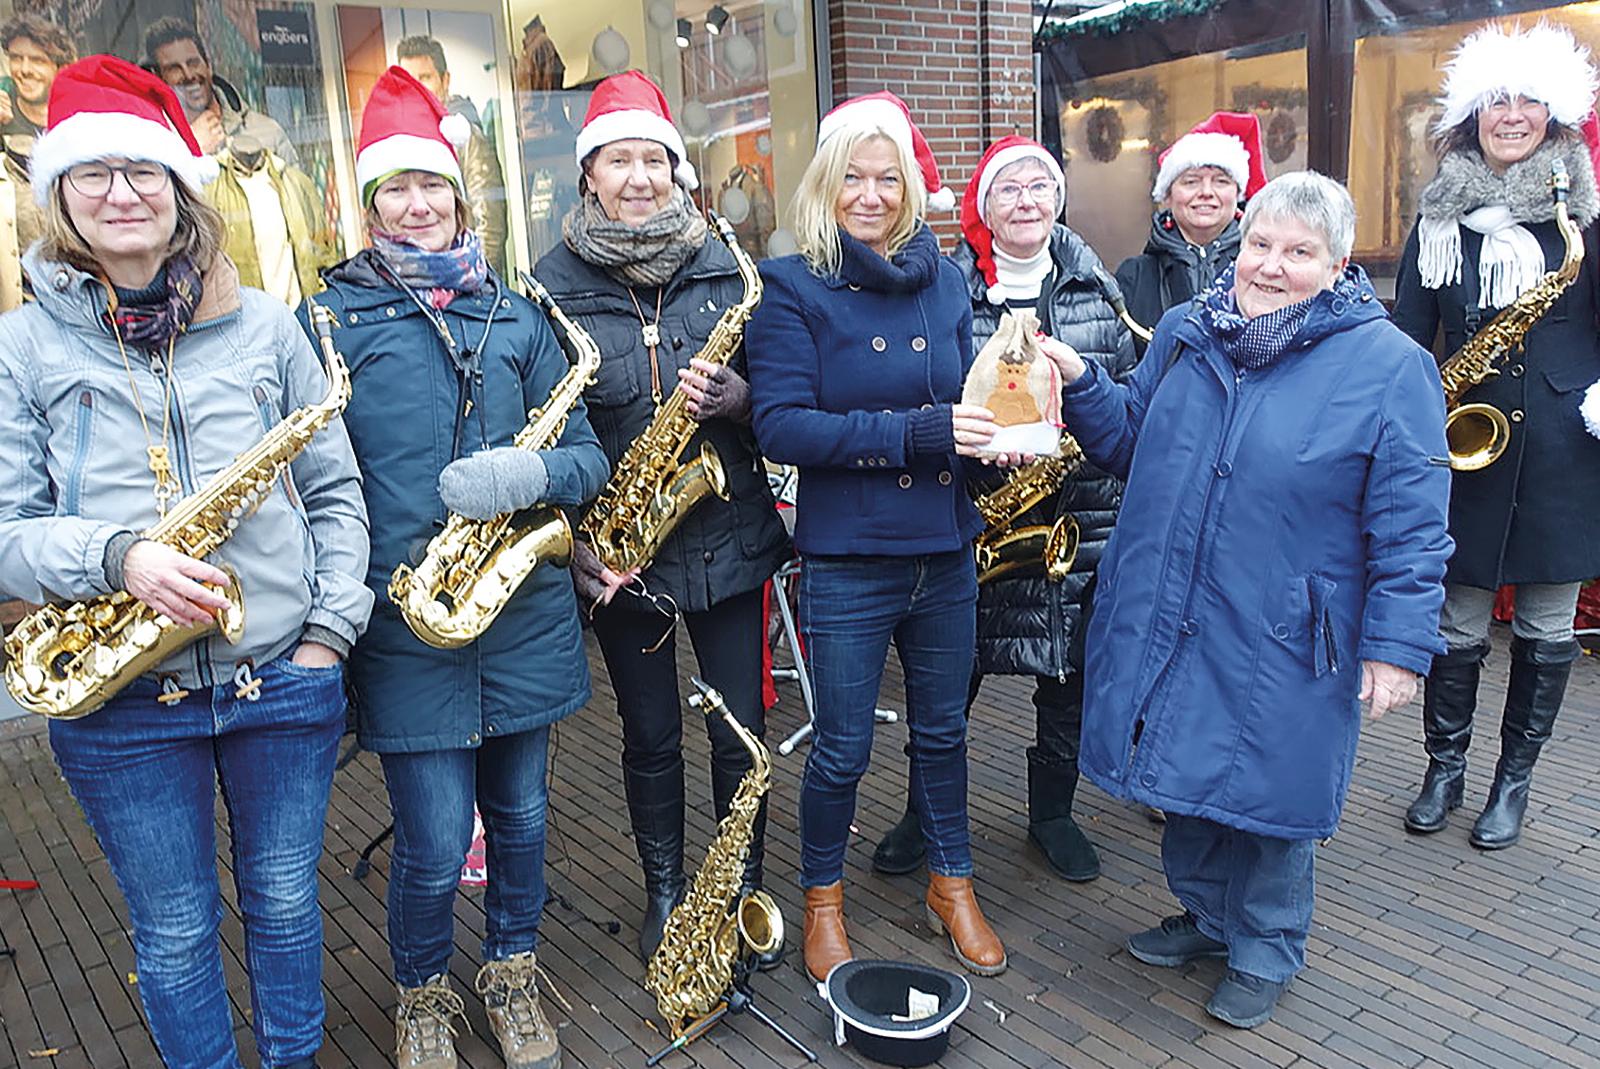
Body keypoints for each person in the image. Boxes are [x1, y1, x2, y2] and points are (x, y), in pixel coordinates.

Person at [0, 56, 372, 1067]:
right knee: (172, 931)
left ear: (178, 189)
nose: (121, 193)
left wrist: (328, 636)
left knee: (286, 903)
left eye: (143, 171)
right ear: (61, 196)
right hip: (121, 700)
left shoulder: (267, 325)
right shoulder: (23, 347)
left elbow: (336, 494)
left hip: (279, 677)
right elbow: (8, 529)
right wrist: (117, 557)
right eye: (94, 173)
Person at [1044, 171, 1452, 1028]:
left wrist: (1397, 647)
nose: (1271, 265)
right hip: (1177, 609)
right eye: (1260, 243)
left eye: (1299, 251)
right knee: (1185, 775)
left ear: (1337, 266)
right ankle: (1208, 916)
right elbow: (1130, 440)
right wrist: (1081, 380)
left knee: (1269, 800)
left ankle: (1265, 946)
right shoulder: (1187, 332)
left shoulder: (1390, 367)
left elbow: (1413, 525)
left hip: (1288, 628)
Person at [307, 66, 606, 1069]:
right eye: (394, 189)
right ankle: (422, 993)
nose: (416, 204)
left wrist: (530, 472)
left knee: (522, 821)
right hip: (409, 622)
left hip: (520, 613)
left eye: (431, 184)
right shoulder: (329, 323)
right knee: (433, 844)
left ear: (459, 196)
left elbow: (587, 457)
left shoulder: (517, 317)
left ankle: (512, 973)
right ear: (369, 205)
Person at [746, 90, 1011, 984]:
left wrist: (996, 444)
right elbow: (782, 425)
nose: (870, 194)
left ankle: (951, 883)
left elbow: (964, 399)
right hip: (850, 558)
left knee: (942, 733)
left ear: (910, 187)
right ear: (826, 184)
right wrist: (920, 433)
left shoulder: (946, 281)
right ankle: (823, 901)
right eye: (852, 177)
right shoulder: (792, 285)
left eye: (887, 178)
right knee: (843, 746)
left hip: (943, 548)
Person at [534, 70, 789, 966]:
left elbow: (784, 398)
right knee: (649, 736)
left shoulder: (728, 261)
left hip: (728, 531)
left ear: (677, 169)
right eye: (618, 161)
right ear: (588, 174)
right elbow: (547, 424)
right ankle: (668, 888)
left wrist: (744, 398)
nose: (639, 177)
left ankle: (742, 887)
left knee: (739, 731)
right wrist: (577, 540)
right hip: (623, 547)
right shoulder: (550, 283)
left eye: (654, 159)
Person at [871, 135, 1134, 885]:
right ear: (984, 208)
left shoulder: (1098, 288)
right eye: (1009, 190)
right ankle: (924, 812)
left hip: (1078, 520)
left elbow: (1125, 393)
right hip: (974, 517)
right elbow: (920, 396)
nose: (1026, 202)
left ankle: (1052, 814)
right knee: (944, 687)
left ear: (1057, 200)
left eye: (1039, 187)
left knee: (1068, 681)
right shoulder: (942, 290)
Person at [1391, 22, 1600, 851]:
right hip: (1465, 450)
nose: (1510, 115)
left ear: (1554, 117)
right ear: (1469, 117)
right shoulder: (1437, 220)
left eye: (1528, 102)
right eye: (1494, 102)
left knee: (1547, 628)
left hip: (1563, 457)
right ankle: (1444, 769)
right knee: (1457, 622)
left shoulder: (1584, 220)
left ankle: (1513, 781)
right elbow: (1409, 337)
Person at [1115, 112, 1266, 353]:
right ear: (1167, 195)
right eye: (1191, 181)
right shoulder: (1134, 276)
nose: (1206, 192)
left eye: (1221, 181)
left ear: (1237, 194)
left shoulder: (1265, 270)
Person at [397, 35, 510, 277]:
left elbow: (490, 226)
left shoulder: (466, 138)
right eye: (408, 80)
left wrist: (477, 282)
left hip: (463, 282)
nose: (416, 88)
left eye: (425, 78)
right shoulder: (404, 142)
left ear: (445, 80)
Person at [144, 17, 299, 165]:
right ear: (159, 79)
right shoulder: (156, 145)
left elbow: (297, 184)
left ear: (208, 66)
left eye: (193, 63)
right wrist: (191, 150)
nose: (189, 75)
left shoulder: (267, 131)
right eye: (174, 68)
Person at [0, 13, 75, 266]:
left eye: (37, 61)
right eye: (16, 58)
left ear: (60, 67)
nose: (24, 70)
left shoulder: (77, 121)